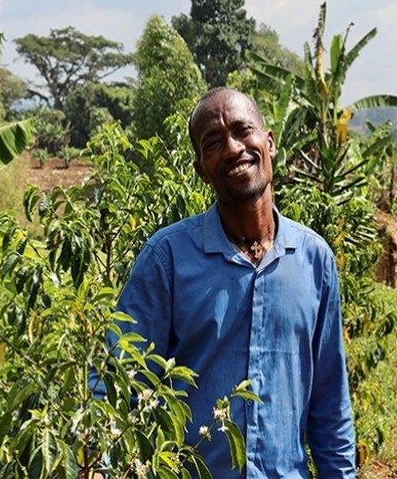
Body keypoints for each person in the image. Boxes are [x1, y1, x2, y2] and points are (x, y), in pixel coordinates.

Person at [115, 87, 356, 477]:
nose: (232, 148)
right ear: (200, 168)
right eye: (213, 142)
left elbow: (330, 406)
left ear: (269, 142)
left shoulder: (314, 260)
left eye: (243, 130)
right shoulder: (168, 259)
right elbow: (119, 377)